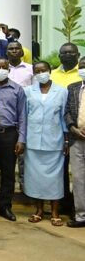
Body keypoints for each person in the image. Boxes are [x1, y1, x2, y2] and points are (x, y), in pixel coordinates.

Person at [24, 61, 67, 226]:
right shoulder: (27, 91)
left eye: (44, 70)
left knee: (55, 178)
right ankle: (39, 210)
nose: (41, 73)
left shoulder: (62, 91)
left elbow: (64, 117)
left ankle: (55, 211)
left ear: (50, 71)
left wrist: (66, 139)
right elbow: (24, 116)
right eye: (37, 71)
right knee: (35, 178)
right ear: (34, 73)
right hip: (33, 141)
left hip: (54, 140)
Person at [0, 58, 27, 221]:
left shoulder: (17, 89)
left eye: (4, 67)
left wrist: (21, 139)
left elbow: (23, 115)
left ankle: (5, 207)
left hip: (10, 134)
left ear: (9, 70)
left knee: (8, 173)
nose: (1, 70)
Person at [64, 57, 85, 227]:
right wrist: (72, 128)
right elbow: (67, 112)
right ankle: (81, 215)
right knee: (78, 178)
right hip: (76, 140)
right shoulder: (73, 88)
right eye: (82, 66)